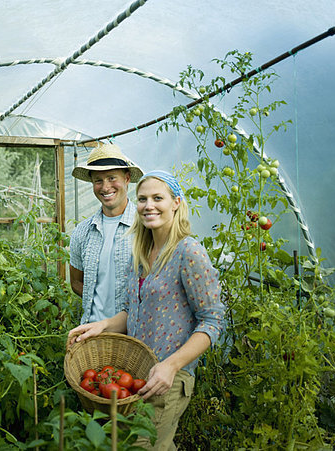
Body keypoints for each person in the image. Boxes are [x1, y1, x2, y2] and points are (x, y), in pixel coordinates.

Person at [68, 170, 225, 450]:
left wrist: (171, 365)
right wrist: (101, 326)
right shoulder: (141, 252)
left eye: (157, 198)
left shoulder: (188, 252)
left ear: (176, 202)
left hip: (169, 377)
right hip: (140, 372)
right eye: (142, 199)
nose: (148, 205)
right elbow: (132, 312)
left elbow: (212, 322)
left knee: (144, 445)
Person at [69, 142, 143, 325]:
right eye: (98, 180)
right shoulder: (82, 232)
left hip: (134, 333)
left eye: (112, 178)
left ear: (126, 178)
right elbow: (76, 282)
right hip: (92, 332)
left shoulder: (145, 227)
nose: (105, 187)